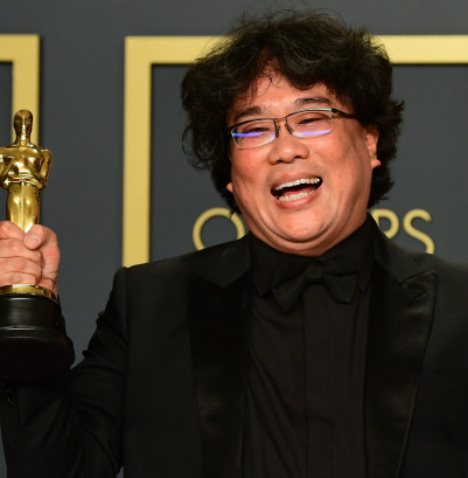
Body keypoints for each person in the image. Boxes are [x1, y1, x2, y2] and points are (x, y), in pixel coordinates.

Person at [1, 9, 468, 478]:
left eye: (311, 118)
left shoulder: (459, 305)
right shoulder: (150, 306)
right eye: (254, 129)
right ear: (229, 171)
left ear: (369, 140)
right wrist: (29, 315)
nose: (286, 149)